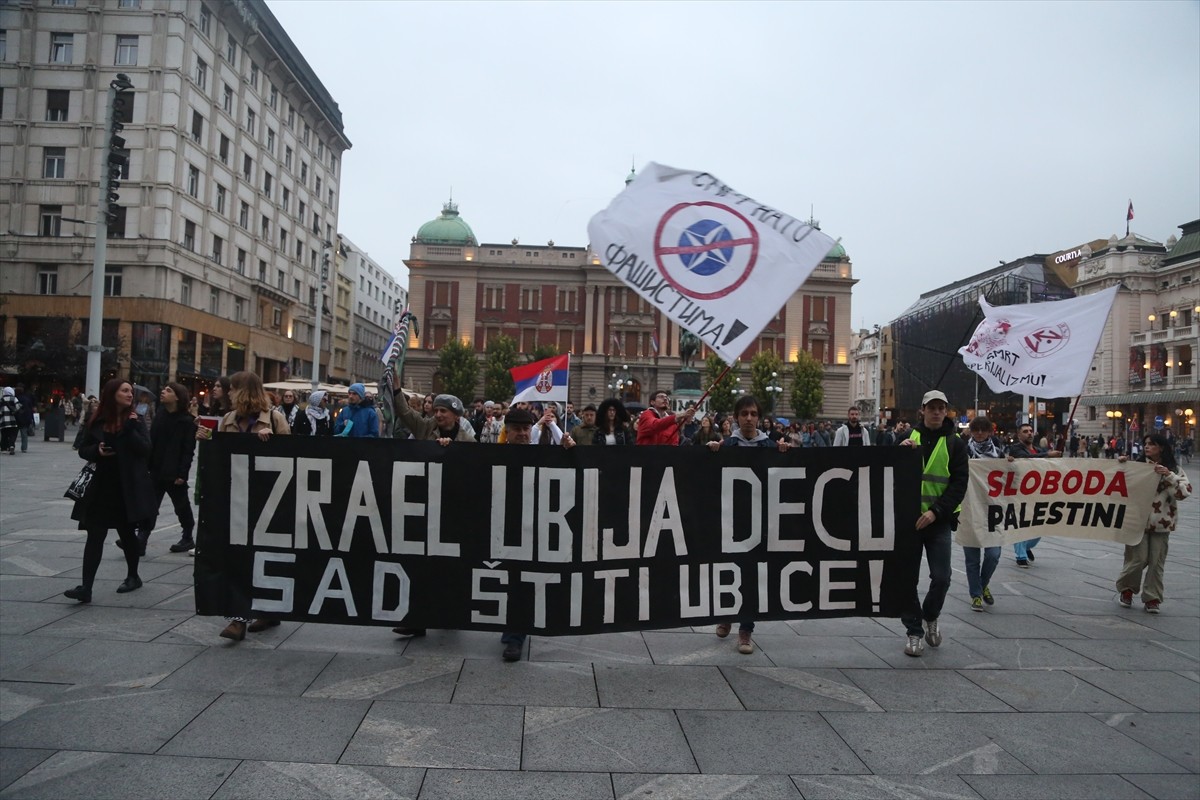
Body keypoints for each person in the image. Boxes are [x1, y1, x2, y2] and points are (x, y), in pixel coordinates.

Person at [208, 371, 290, 640]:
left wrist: (273, 442)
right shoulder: (228, 420)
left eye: (232, 389)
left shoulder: (275, 419)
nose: (229, 393)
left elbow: (293, 458)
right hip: (238, 499)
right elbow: (221, 460)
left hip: (268, 500)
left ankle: (269, 611)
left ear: (243, 391)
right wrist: (207, 442)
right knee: (239, 556)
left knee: (265, 556)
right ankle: (238, 618)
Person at [706, 395, 790, 654]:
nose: (750, 419)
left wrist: (783, 454)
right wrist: (712, 452)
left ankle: (746, 628)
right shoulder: (728, 444)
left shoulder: (770, 445)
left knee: (753, 574)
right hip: (732, 520)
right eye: (744, 414)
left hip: (759, 522)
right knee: (729, 570)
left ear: (759, 417)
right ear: (736, 417)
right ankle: (726, 614)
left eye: (754, 413)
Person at [390, 392, 478, 638]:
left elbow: (474, 468)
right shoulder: (426, 427)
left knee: (450, 567)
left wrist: (452, 453)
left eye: (443, 411)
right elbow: (405, 414)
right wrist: (397, 392)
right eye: (436, 410)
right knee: (421, 564)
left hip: (452, 510)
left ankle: (451, 613)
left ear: (455, 415)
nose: (438, 415)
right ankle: (418, 619)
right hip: (425, 506)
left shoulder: (467, 438)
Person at [64, 379, 155, 603]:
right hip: (100, 486)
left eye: (130, 391)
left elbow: (145, 450)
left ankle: (133, 576)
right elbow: (82, 449)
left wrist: (131, 429)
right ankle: (86, 587)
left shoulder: (136, 419)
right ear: (112, 393)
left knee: (126, 533)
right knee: (95, 535)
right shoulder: (97, 419)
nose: (129, 394)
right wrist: (97, 450)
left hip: (126, 487)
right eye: (124, 390)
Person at [498, 406, 576, 660]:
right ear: (507, 432)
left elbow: (569, 470)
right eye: (517, 430)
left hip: (532, 528)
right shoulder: (492, 454)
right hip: (502, 528)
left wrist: (568, 450)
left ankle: (514, 636)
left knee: (521, 580)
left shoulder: (543, 454)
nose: (522, 434)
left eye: (525, 429)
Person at [898, 389, 968, 657]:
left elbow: (959, 484)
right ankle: (914, 631)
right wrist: (899, 454)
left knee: (942, 577)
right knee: (906, 580)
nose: (937, 412)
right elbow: (889, 474)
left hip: (937, 521)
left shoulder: (956, 443)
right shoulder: (906, 438)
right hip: (909, 521)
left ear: (946, 411)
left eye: (942, 408)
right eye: (932, 407)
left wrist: (936, 512)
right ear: (922, 410)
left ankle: (930, 615)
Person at [1116, 434, 1192, 613]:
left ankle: (1152, 597)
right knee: (1137, 558)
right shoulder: (1137, 466)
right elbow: (1118, 487)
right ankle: (1126, 589)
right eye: (1146, 444)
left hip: (1162, 523)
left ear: (1162, 448)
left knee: (1157, 561)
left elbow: (1183, 493)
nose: (1147, 447)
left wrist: (1169, 476)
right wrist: (1120, 466)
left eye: (1152, 444)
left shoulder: (1174, 469)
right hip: (1137, 521)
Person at [149, 383, 199, 555]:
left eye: (169, 390)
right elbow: (151, 442)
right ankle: (141, 537)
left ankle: (187, 536)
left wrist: (182, 474)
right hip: (156, 470)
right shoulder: (160, 415)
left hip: (174, 473)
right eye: (163, 389)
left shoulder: (187, 421)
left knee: (181, 505)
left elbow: (188, 451)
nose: (163, 391)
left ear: (178, 397)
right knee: (150, 505)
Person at [962, 416, 1004, 612]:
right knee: (972, 558)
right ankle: (976, 595)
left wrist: (1010, 464)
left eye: (983, 430)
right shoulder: (963, 451)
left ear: (989, 432)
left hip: (992, 510)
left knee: (993, 555)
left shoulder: (1000, 454)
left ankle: (982, 583)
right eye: (976, 429)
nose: (979, 433)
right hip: (969, 509)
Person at [1006, 422, 1062, 567]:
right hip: (1019, 493)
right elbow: (1027, 459)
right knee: (1021, 524)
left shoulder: (1037, 449)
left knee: (1039, 526)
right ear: (1019, 435)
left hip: (1037, 493)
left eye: (1031, 431)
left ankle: (1026, 547)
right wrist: (1048, 455)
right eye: (1025, 431)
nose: (1029, 433)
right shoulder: (1016, 449)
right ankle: (1021, 556)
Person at [13, 383, 35, 453]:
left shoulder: (14, 399)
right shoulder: (27, 399)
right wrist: (31, 419)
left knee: (14, 434)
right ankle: (24, 448)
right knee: (24, 434)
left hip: (16, 418)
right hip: (25, 419)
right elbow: (30, 409)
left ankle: (11, 445)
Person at [0, 387, 18, 454]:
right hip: (12, 420)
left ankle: (3, 448)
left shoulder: (1, 400)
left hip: (3, 421)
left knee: (4, 435)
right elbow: (19, 407)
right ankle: (11, 445)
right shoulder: (14, 398)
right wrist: (14, 411)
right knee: (12, 434)